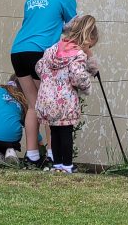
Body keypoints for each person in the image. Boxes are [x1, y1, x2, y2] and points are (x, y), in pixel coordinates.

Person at [11, 0, 77, 166]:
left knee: (33, 105)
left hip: (18, 50)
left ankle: (31, 156)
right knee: (50, 104)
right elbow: (75, 28)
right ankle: (52, 155)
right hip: (40, 53)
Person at [35, 15, 99, 173]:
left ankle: (57, 164)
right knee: (66, 133)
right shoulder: (77, 54)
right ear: (89, 39)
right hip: (65, 101)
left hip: (47, 100)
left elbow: (39, 67)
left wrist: (50, 80)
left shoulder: (53, 49)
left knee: (55, 131)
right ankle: (67, 165)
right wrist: (87, 87)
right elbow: (77, 76)